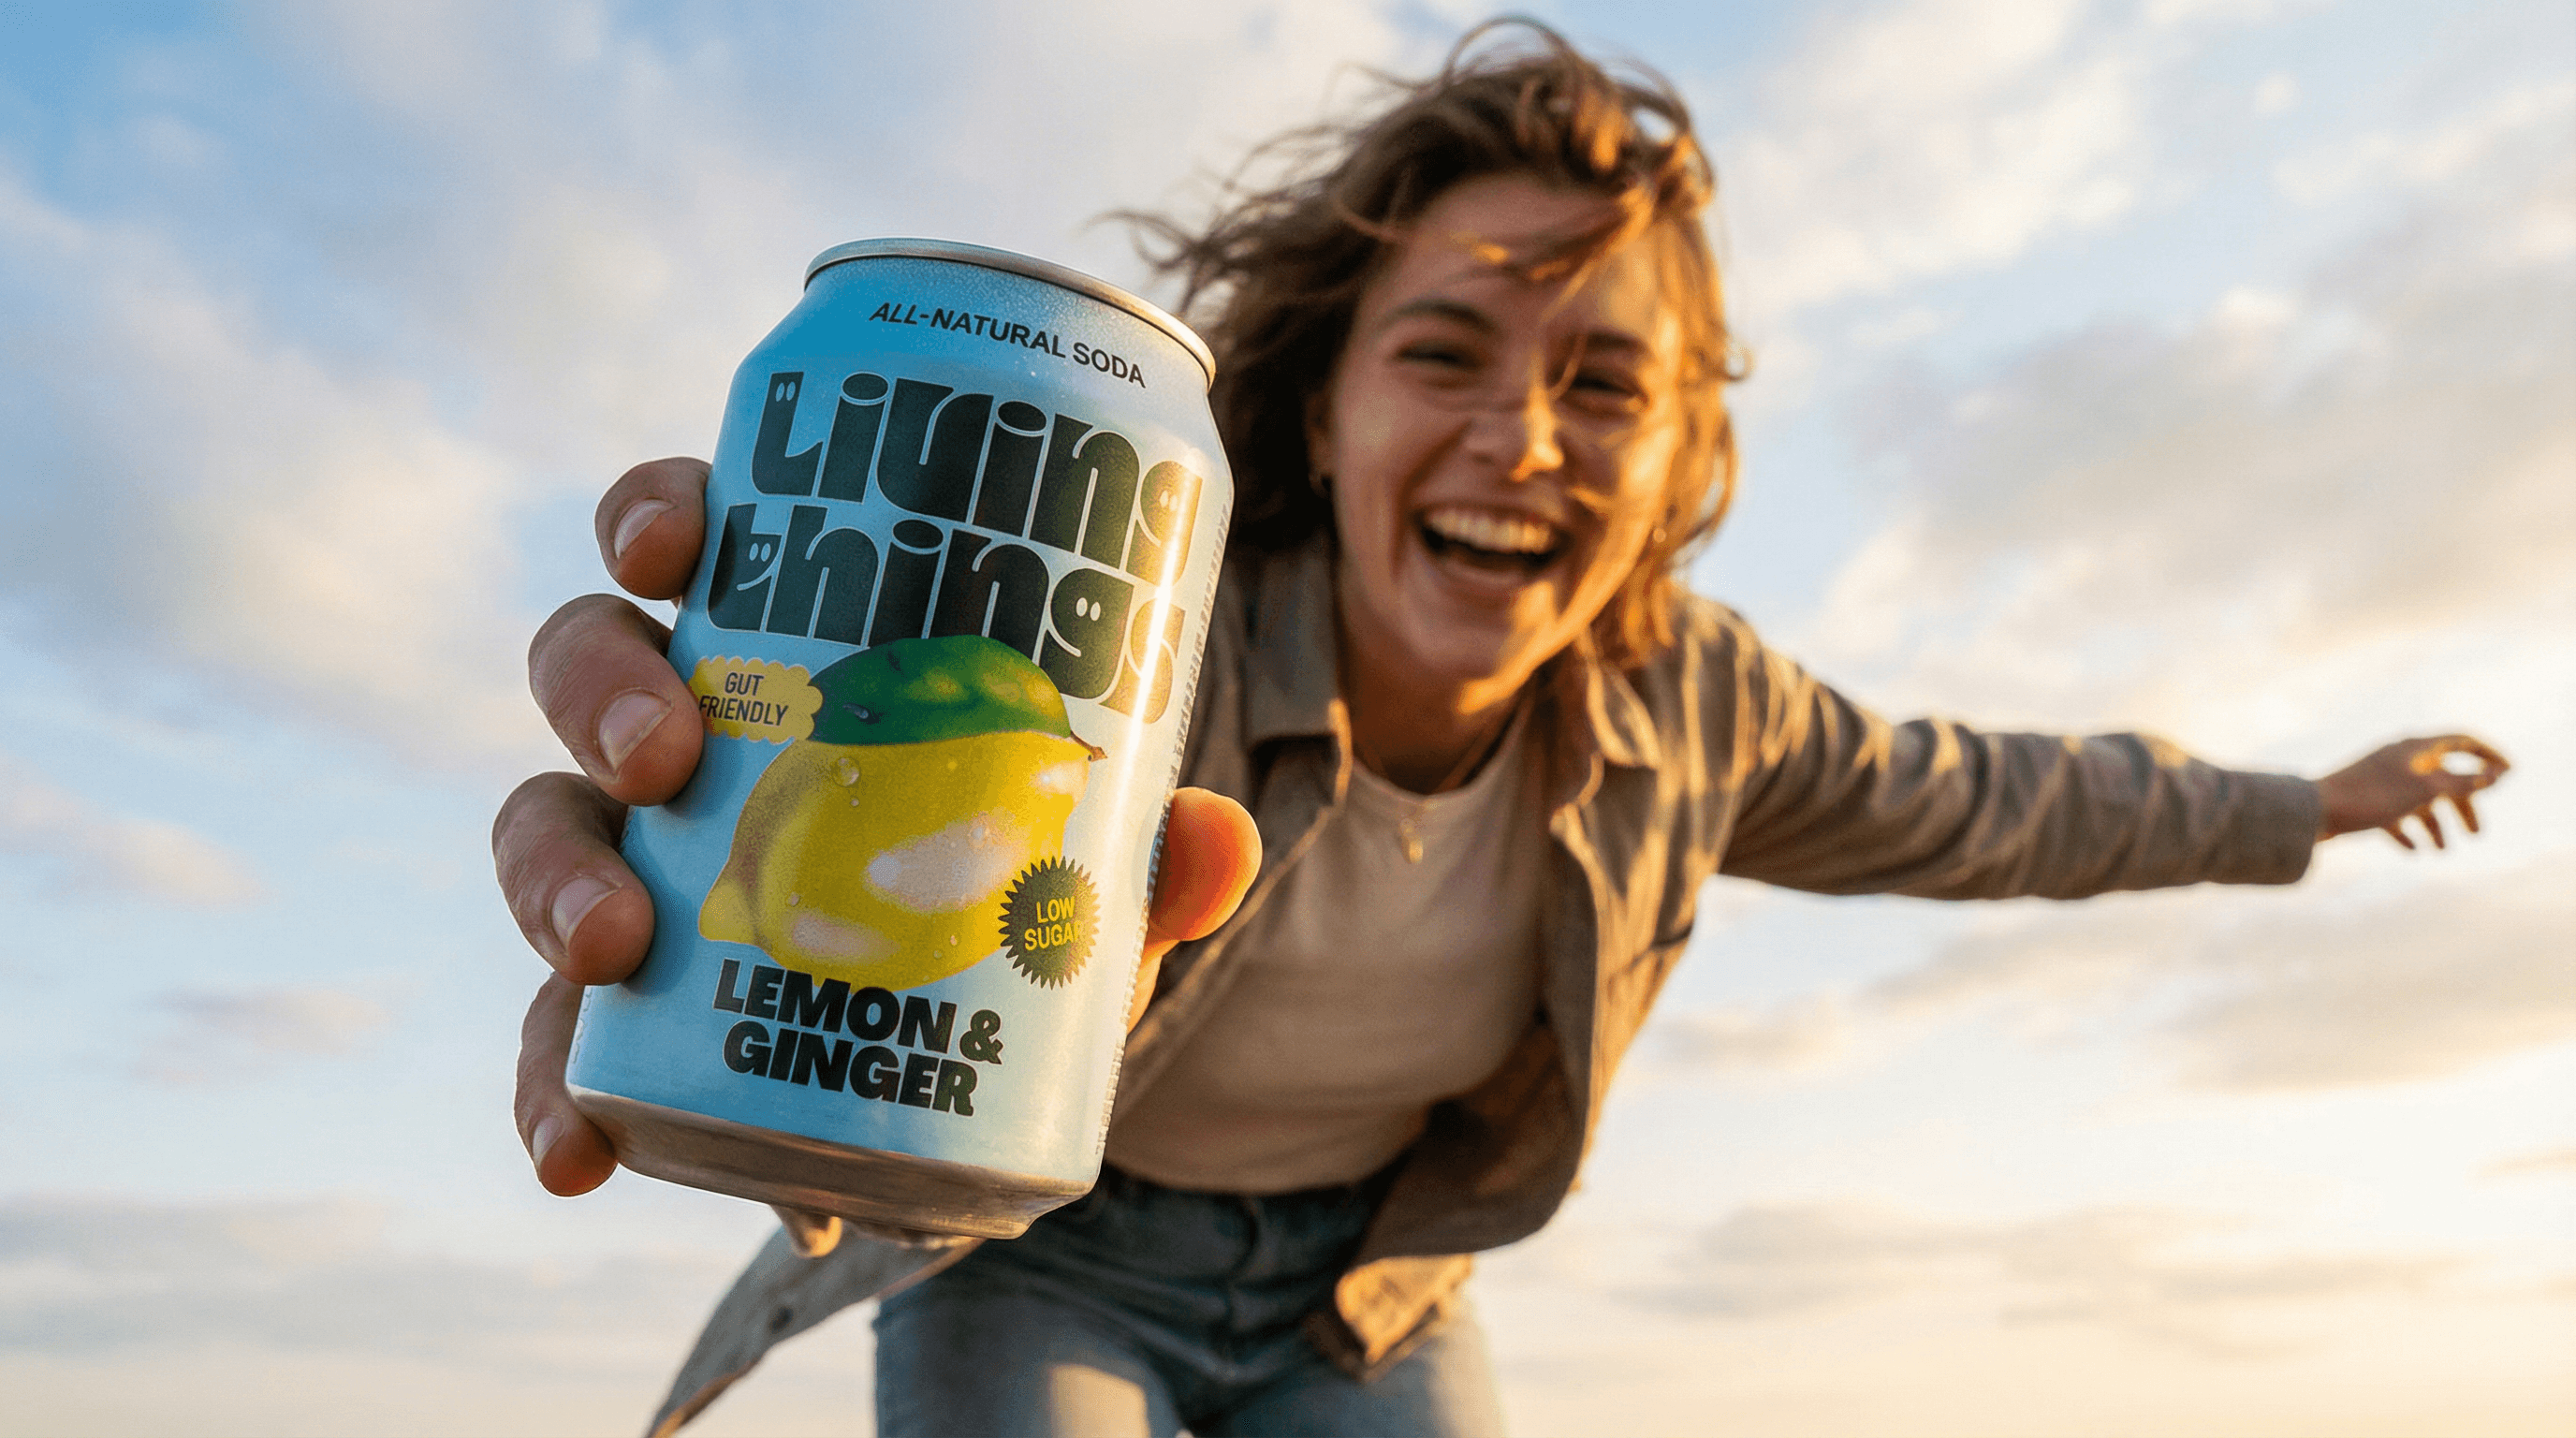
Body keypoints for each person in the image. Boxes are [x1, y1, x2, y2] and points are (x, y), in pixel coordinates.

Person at [492, 22, 2510, 1438]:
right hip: (1039, 1253)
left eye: (1606, 385)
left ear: (1682, 456)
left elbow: (1997, 803)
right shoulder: (1137, 634)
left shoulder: (1702, 711)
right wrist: (705, 832)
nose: (1519, 440)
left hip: (1372, 1295)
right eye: (1445, 351)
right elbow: (874, 782)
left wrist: (2306, 806)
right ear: (1323, 412)